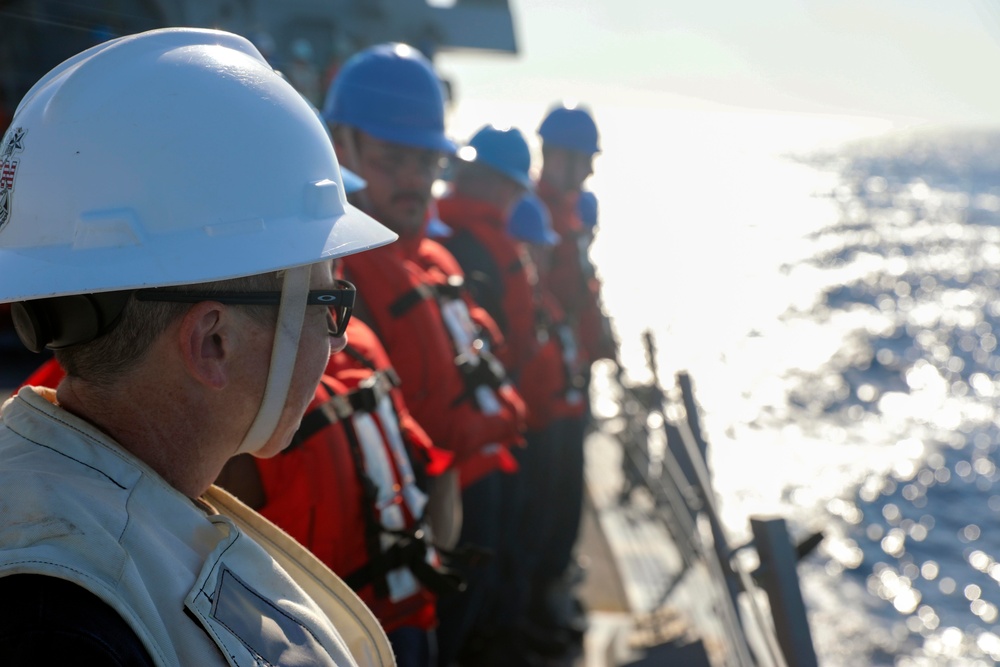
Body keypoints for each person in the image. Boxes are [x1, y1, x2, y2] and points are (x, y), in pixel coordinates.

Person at [0, 28, 398, 666]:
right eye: (326, 305)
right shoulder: (59, 628)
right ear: (212, 341)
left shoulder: (83, 522)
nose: (337, 340)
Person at [321, 42, 525, 666]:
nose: (413, 178)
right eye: (392, 158)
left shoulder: (425, 261)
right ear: (342, 146)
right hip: (385, 571)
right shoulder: (330, 275)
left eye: (425, 161)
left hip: (456, 521)